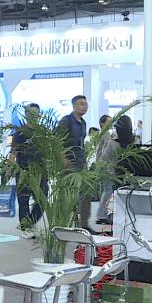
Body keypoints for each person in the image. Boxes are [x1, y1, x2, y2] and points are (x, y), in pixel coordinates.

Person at [11, 103, 47, 238]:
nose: (33, 115)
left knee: (42, 200)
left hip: (41, 173)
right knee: (23, 201)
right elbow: (13, 152)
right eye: (31, 112)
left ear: (39, 114)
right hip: (23, 171)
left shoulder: (43, 131)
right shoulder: (20, 133)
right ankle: (25, 227)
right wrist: (10, 167)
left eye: (36, 112)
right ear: (26, 115)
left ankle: (30, 222)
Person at [96, 115, 135, 224]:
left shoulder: (113, 143)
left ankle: (103, 215)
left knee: (109, 192)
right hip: (113, 172)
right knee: (110, 192)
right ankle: (102, 215)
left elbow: (103, 158)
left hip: (112, 172)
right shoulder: (131, 142)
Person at [58, 95, 89, 227]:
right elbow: (57, 141)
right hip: (69, 163)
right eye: (81, 104)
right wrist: (63, 158)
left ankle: (83, 224)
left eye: (86, 104)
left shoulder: (83, 123)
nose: (85, 106)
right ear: (74, 106)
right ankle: (67, 224)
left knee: (86, 193)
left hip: (81, 163)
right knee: (68, 195)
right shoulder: (66, 121)